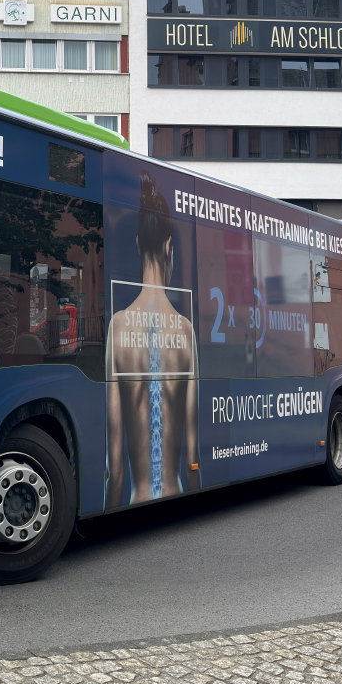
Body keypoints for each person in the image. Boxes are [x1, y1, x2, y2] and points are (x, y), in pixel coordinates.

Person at [104, 171, 199, 507]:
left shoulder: (118, 327)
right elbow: (192, 462)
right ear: (169, 244)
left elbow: (114, 472)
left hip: (135, 500)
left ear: (137, 244)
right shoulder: (186, 331)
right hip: (177, 495)